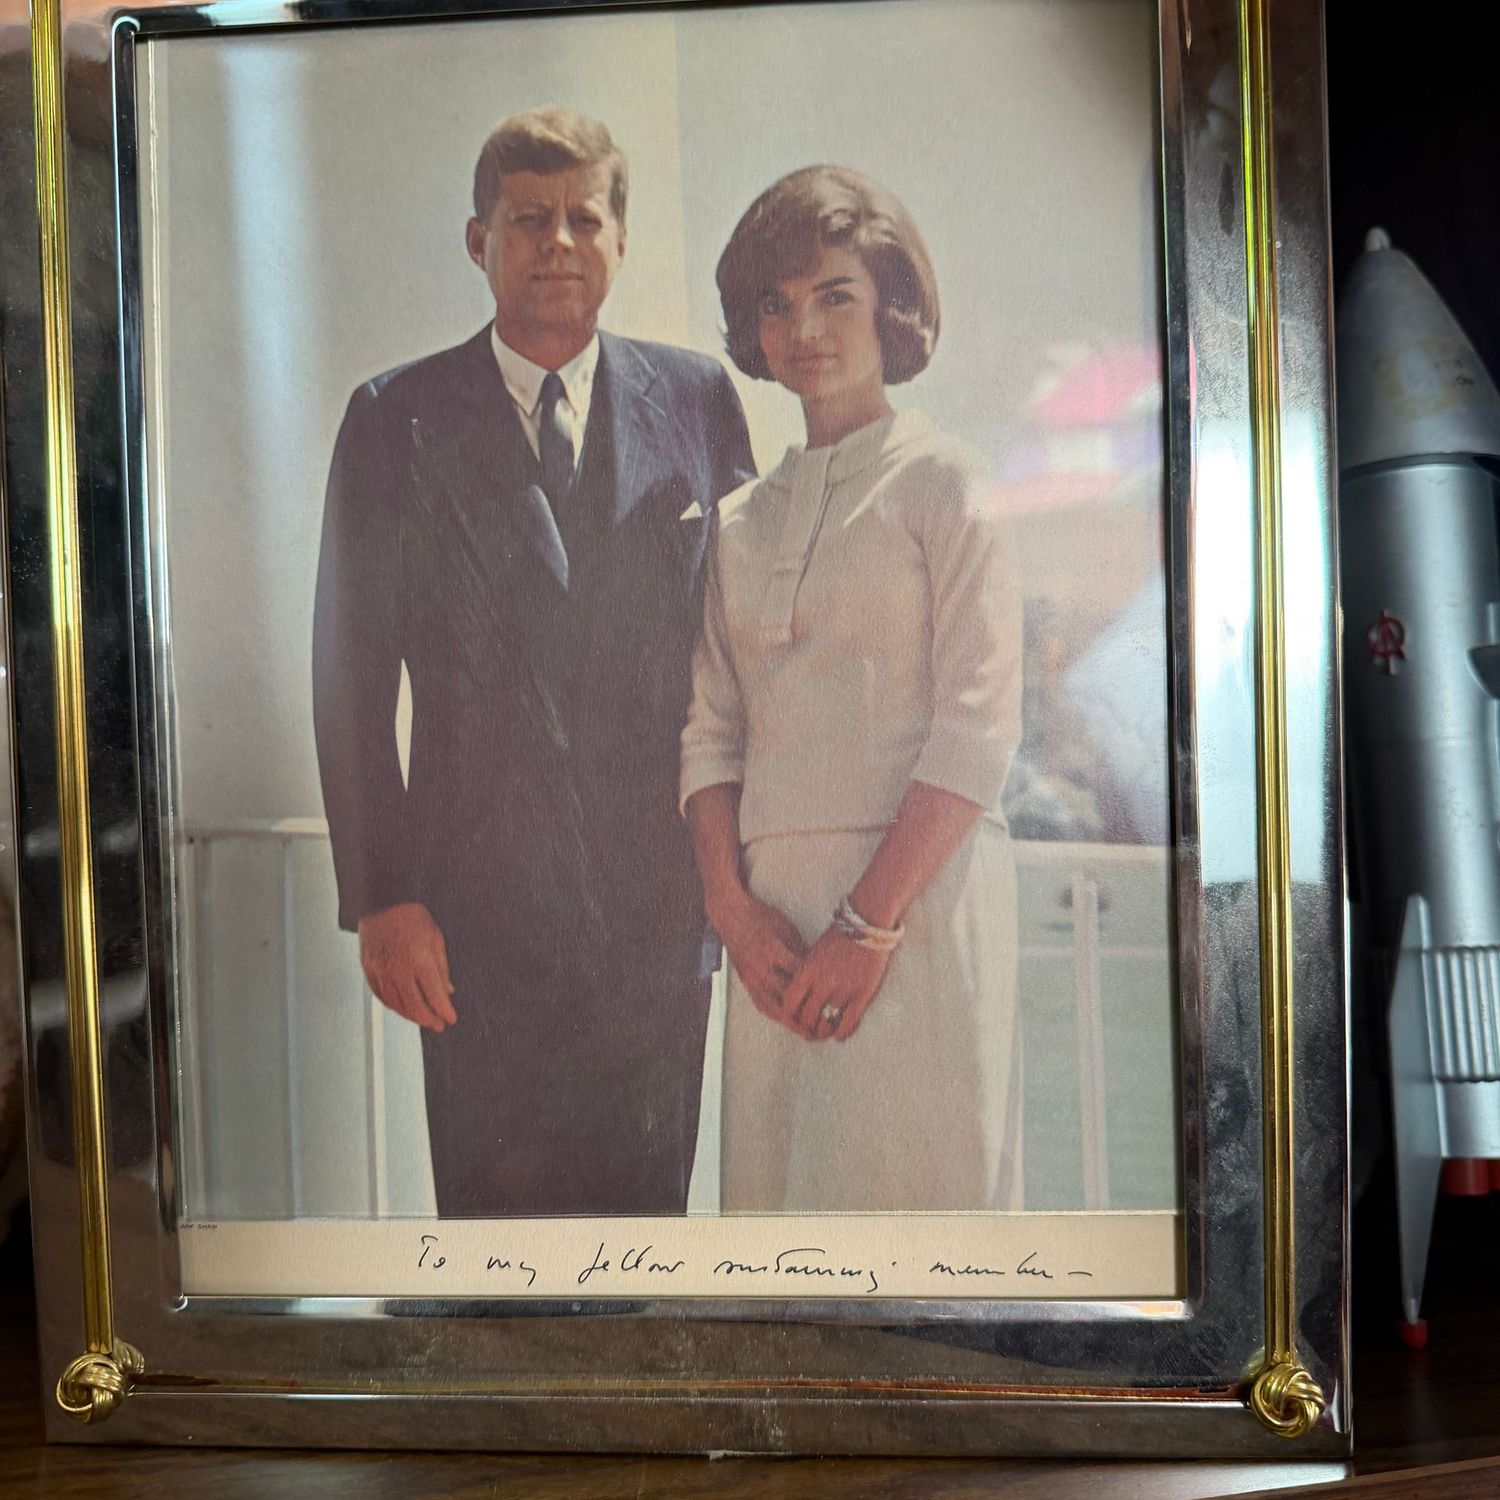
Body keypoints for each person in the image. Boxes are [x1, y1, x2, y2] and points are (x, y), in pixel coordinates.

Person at [313, 107, 754, 1217]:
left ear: (618, 241)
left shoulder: (698, 400)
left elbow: (746, 659)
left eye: (582, 218)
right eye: (527, 220)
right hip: (473, 919)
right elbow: (350, 677)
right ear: (479, 241)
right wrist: (384, 899)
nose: (557, 241)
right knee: (494, 1247)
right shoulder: (396, 417)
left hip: (658, 910)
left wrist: (741, 884)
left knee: (647, 1233)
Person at [680, 166, 1022, 1211]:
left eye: (836, 294)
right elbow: (709, 734)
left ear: (891, 305)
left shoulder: (950, 481)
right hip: (773, 931)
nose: (805, 328)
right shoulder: (739, 520)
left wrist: (867, 929)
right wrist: (734, 915)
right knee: (780, 1237)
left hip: (914, 906)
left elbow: (979, 729)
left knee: (922, 1221)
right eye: (776, 304)